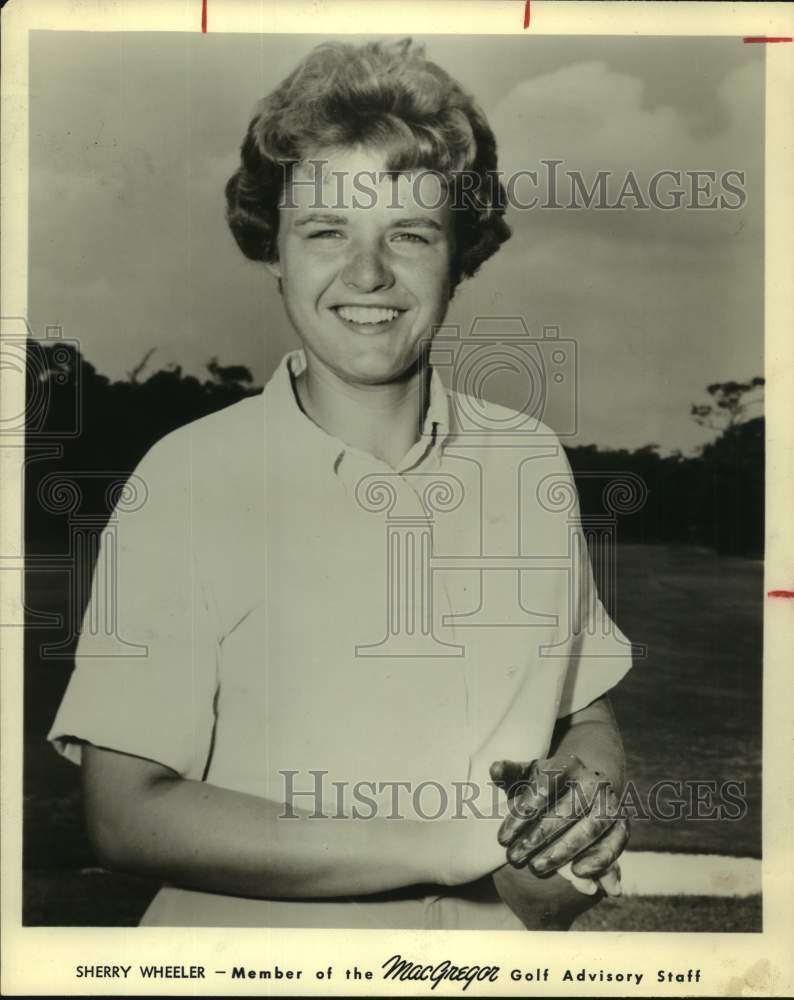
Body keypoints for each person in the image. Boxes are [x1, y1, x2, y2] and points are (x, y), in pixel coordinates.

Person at [48, 38, 633, 930]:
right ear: (273, 251)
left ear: (461, 254)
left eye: (409, 233)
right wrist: (455, 842)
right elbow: (125, 813)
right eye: (326, 231)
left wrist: (578, 803)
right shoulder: (187, 476)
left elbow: (584, 719)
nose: (368, 274)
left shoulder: (528, 460)